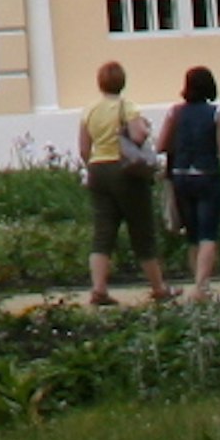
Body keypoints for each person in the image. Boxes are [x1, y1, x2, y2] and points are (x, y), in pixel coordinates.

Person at [78, 57, 166, 306]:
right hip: (124, 170)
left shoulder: (89, 110)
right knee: (142, 228)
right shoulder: (128, 107)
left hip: (98, 169)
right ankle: (158, 287)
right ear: (122, 82)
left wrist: (94, 164)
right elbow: (138, 135)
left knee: (103, 231)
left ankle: (99, 289)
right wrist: (145, 130)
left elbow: (84, 148)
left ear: (100, 83)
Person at [160, 66, 220, 297]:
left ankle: (198, 281)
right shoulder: (216, 114)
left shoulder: (175, 112)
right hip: (207, 175)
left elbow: (161, 145)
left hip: (181, 175)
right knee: (208, 233)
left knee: (192, 234)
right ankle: (201, 286)